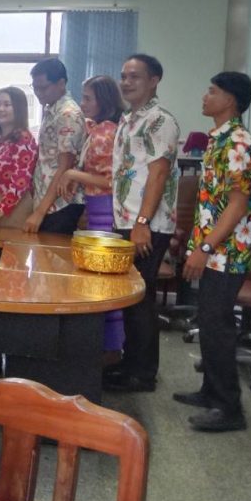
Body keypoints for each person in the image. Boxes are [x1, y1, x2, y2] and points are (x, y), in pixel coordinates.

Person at [175, 72, 251, 432]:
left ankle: (229, 408)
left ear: (231, 100)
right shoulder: (218, 138)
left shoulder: (239, 142)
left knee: (218, 324)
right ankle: (210, 391)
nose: (205, 96)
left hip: (228, 250)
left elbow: (237, 204)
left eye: (213, 91)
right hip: (212, 248)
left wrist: (205, 248)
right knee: (208, 320)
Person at [106, 54, 180, 393]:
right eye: (124, 76)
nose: (126, 82)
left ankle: (142, 374)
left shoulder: (159, 120)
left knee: (141, 297)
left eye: (135, 76)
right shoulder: (129, 119)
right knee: (131, 297)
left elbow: (158, 173)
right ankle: (130, 363)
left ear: (153, 81)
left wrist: (142, 222)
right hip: (127, 219)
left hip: (147, 224)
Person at [58, 75, 125, 355]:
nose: (82, 103)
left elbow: (111, 181)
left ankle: (112, 348)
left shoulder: (106, 132)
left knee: (105, 279)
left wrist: (72, 174)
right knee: (101, 278)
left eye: (88, 98)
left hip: (106, 208)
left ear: (104, 101)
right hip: (96, 207)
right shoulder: (98, 128)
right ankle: (108, 347)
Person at [23, 58, 86, 235]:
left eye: (43, 88)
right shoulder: (52, 110)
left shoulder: (68, 114)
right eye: (35, 88)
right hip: (48, 202)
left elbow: (65, 166)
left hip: (60, 204)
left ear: (61, 83)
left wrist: (39, 212)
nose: (38, 93)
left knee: (51, 252)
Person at [0, 87, 37, 227]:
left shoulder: (24, 138)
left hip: (12, 208)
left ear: (18, 109)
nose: (1, 109)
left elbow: (20, 181)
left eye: (7, 105)